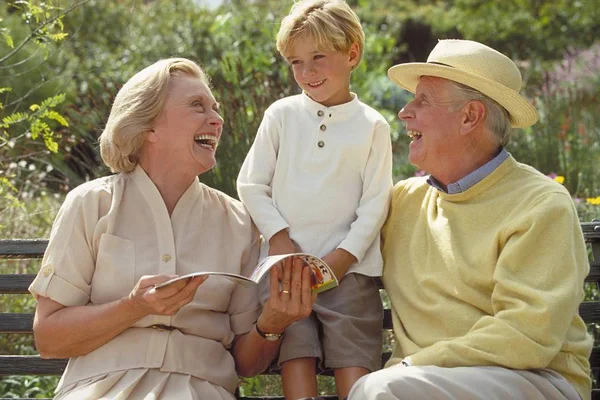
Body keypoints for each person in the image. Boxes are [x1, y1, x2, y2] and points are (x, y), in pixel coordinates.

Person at [29, 57, 315, 400]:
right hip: (101, 388)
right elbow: (49, 338)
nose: (217, 119)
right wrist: (135, 306)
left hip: (202, 390)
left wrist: (272, 325)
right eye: (197, 105)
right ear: (149, 126)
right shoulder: (92, 204)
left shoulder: (239, 222)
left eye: (215, 107)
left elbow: (244, 362)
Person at [348, 39, 593, 400]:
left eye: (423, 100)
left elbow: (527, 336)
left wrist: (413, 366)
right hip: (419, 383)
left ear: (469, 117)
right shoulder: (402, 203)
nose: (404, 112)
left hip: (535, 379)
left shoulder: (541, 204)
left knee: (381, 391)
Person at [236, 0, 393, 398]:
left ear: (352, 53)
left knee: (353, 355)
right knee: (295, 349)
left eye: (319, 57)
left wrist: (343, 259)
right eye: (296, 62)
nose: (307, 72)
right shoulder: (281, 116)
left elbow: (375, 204)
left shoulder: (373, 126)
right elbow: (251, 185)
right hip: (286, 270)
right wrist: (279, 240)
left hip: (350, 273)